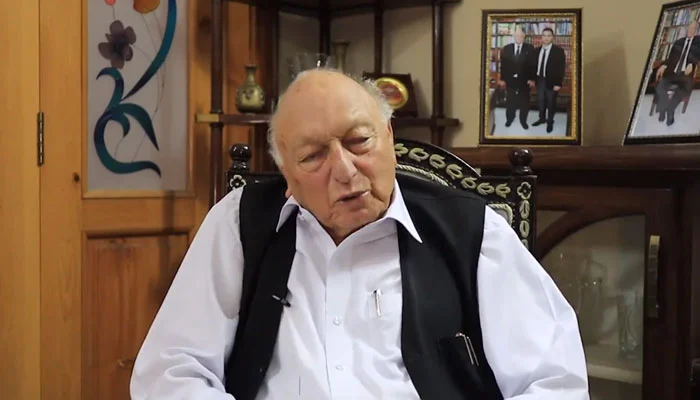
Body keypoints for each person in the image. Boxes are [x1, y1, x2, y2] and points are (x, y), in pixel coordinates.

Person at [130, 69, 589, 399]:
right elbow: (170, 371)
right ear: (286, 174)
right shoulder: (239, 224)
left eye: (359, 141)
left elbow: (553, 380)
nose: (346, 171)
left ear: (389, 136)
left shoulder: (471, 230)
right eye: (313, 156)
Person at [654, 20, 699, 126]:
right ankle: (663, 108)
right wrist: (664, 65)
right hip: (673, 73)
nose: (691, 30)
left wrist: (693, 64)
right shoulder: (678, 42)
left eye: (694, 28)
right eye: (690, 27)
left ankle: (670, 110)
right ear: (687, 28)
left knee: (683, 88)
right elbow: (670, 58)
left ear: (696, 31)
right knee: (660, 86)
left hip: (685, 74)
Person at [498, 26, 536, 129]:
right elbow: (504, 65)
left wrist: (532, 79)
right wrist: (502, 79)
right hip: (510, 81)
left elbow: (533, 65)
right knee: (510, 102)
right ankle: (510, 119)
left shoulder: (530, 48)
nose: (519, 38)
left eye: (521, 36)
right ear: (513, 36)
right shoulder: (507, 48)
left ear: (524, 37)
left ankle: (523, 121)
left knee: (524, 103)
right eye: (517, 36)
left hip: (525, 81)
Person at [532, 27, 566, 133]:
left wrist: (558, 83)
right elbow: (533, 66)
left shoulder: (558, 51)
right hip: (540, 80)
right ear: (541, 37)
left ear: (552, 37)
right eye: (544, 35)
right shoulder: (536, 50)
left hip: (552, 81)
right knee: (541, 101)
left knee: (551, 103)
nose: (546, 38)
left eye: (548, 36)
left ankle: (550, 121)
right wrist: (532, 79)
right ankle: (542, 119)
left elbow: (561, 68)